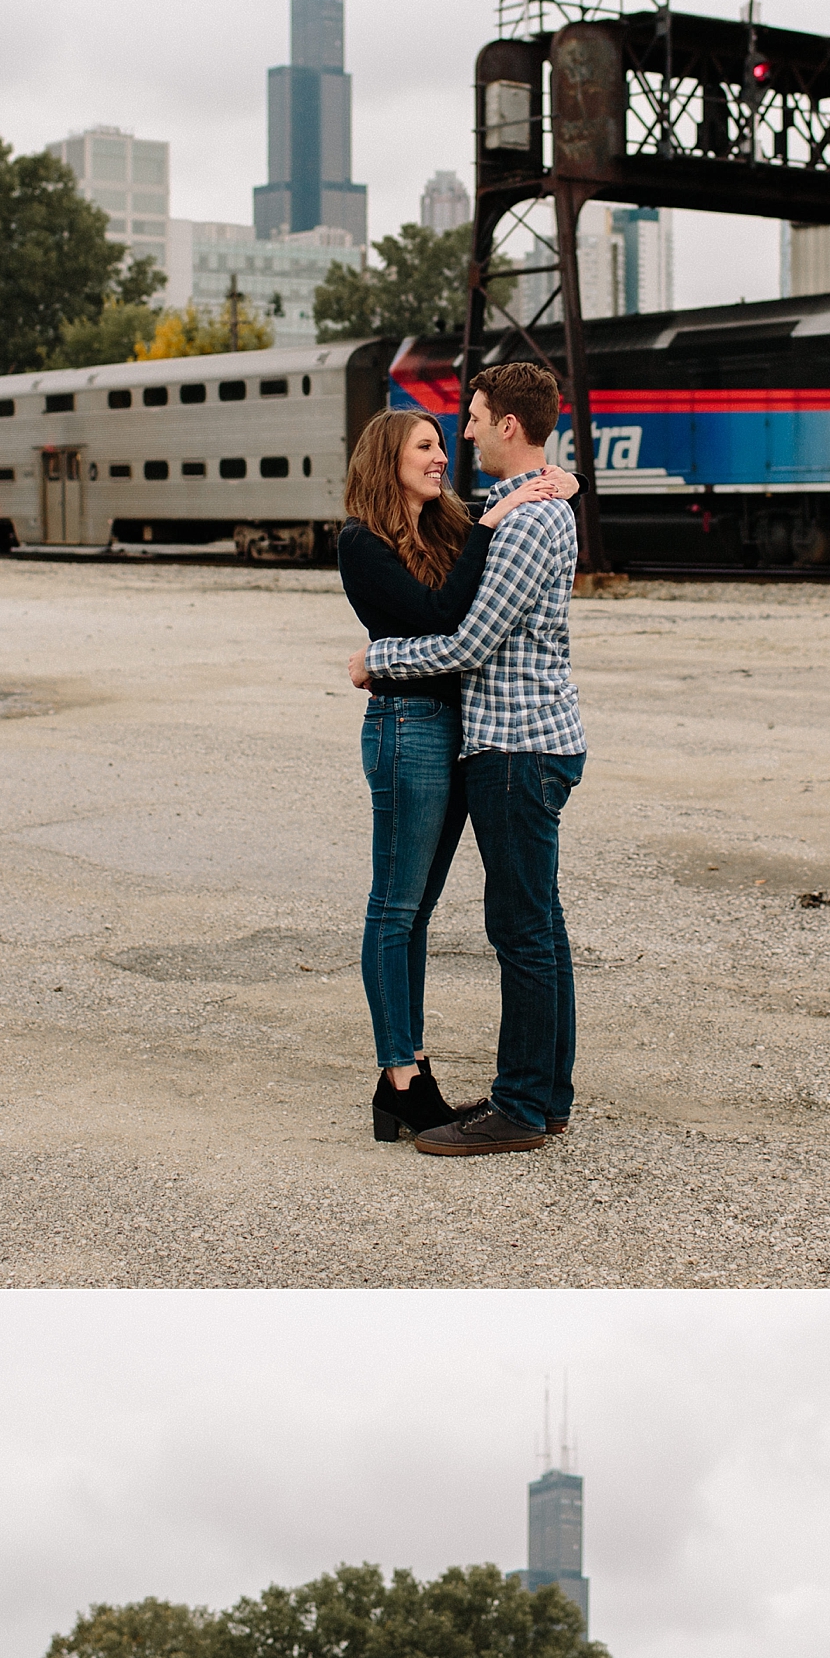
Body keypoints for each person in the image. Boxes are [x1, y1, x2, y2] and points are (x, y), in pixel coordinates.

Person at [347, 358, 586, 1158]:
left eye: (470, 418)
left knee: (523, 928)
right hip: (439, 734)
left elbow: (466, 636)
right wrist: (549, 485)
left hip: (510, 741)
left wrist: (375, 661)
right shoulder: (410, 533)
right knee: (436, 911)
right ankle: (425, 1076)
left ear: (507, 425)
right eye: (428, 441)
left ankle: (525, 1103)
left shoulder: (503, 519)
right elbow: (444, 611)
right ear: (389, 462)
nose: (457, 437)